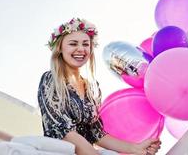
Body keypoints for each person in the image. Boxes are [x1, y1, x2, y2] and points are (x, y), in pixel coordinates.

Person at [38, 18, 161, 155]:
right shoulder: (51, 79)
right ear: (60, 48)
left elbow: (96, 133)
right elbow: (63, 131)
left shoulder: (92, 88)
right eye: (73, 44)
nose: (81, 49)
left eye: (86, 44)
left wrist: (137, 148)